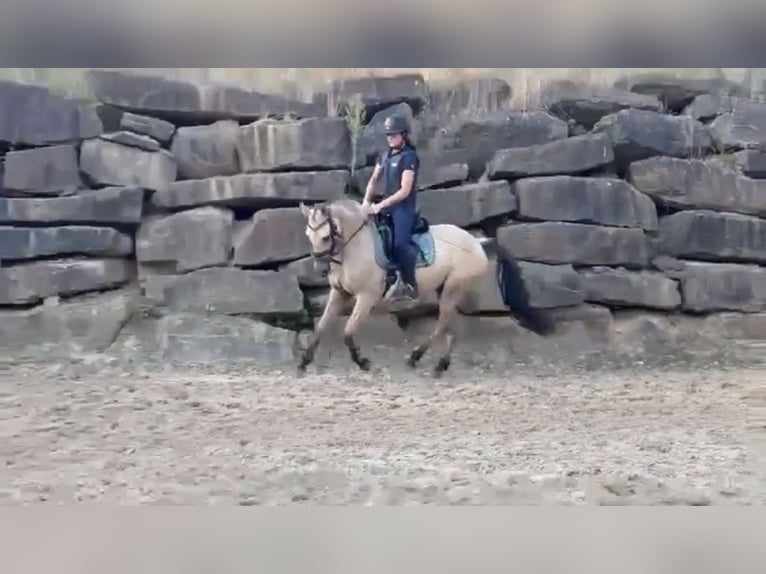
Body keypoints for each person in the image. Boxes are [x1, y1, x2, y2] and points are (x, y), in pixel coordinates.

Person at [362, 115, 420, 301]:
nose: (390, 138)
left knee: (399, 244)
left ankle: (410, 285)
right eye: (388, 135)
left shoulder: (409, 157)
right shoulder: (385, 156)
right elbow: (373, 180)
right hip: (387, 206)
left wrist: (379, 205)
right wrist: (365, 202)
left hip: (403, 208)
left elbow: (404, 191)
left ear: (403, 135)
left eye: (394, 135)